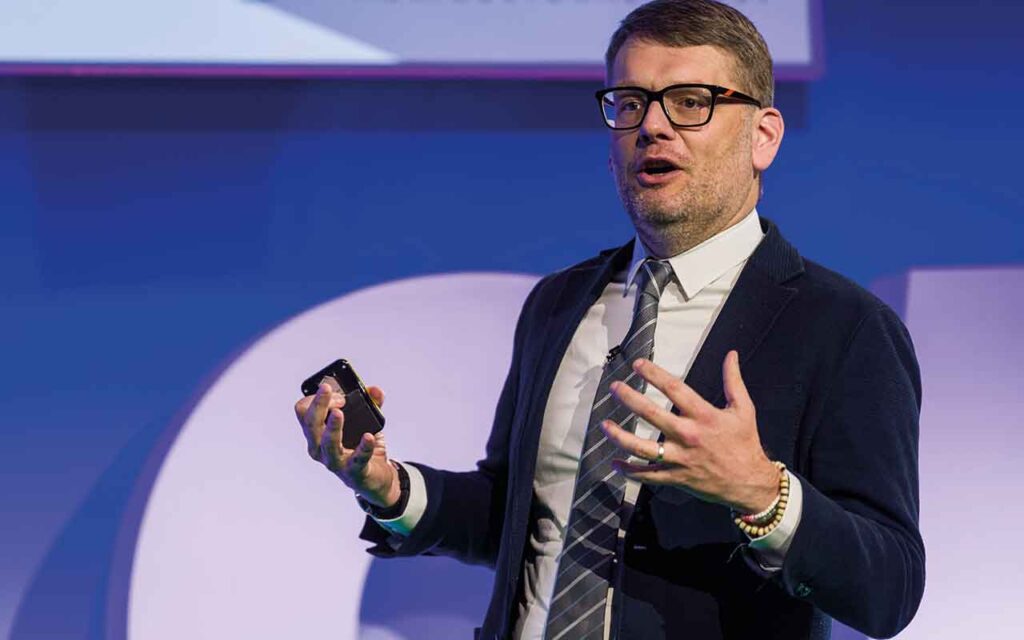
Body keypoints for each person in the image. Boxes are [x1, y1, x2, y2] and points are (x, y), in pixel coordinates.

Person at [293, 1, 924, 638]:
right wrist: (387, 485)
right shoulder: (560, 303)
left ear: (763, 136)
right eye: (630, 102)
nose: (653, 126)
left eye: (690, 101)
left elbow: (890, 588)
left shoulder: (843, 327)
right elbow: (518, 513)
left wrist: (763, 493)